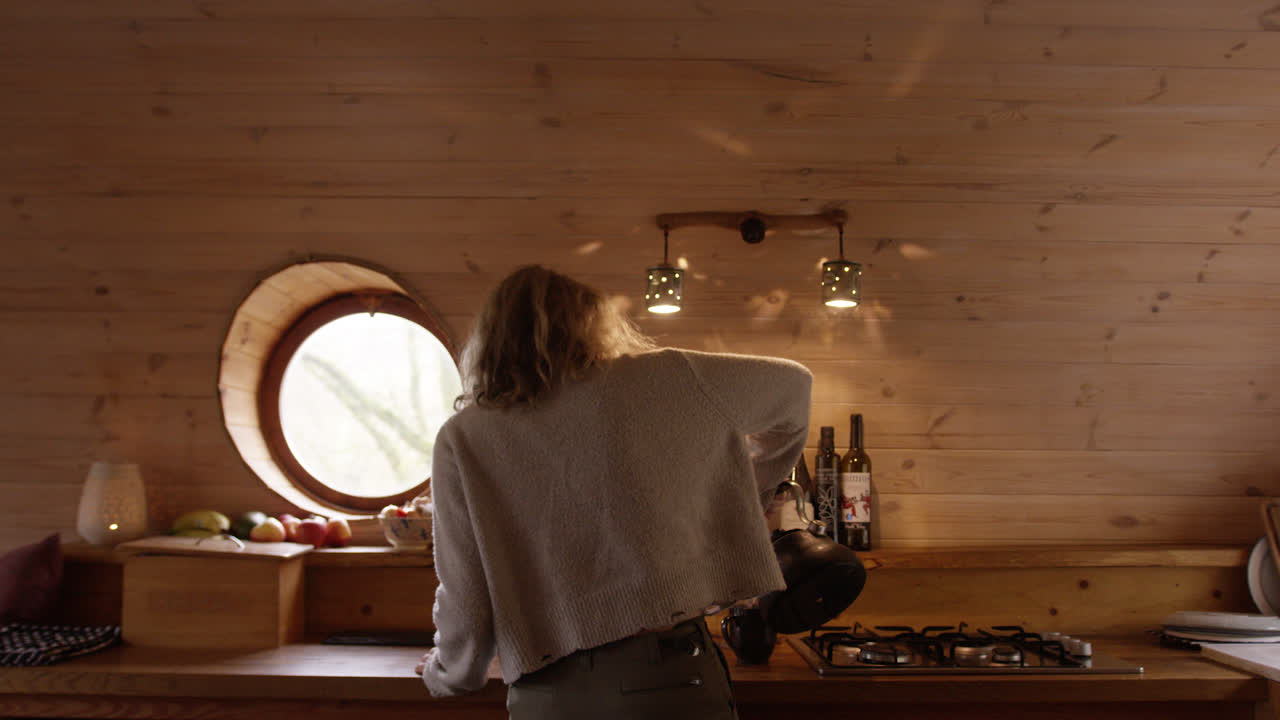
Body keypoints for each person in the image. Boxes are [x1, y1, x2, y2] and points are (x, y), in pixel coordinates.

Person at [416, 265, 813, 719]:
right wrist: (744, 496)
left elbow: (464, 592)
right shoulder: (670, 376)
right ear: (593, 325)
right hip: (670, 678)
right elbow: (794, 390)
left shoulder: (464, 436)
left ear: (489, 341)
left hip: (550, 696)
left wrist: (448, 673)